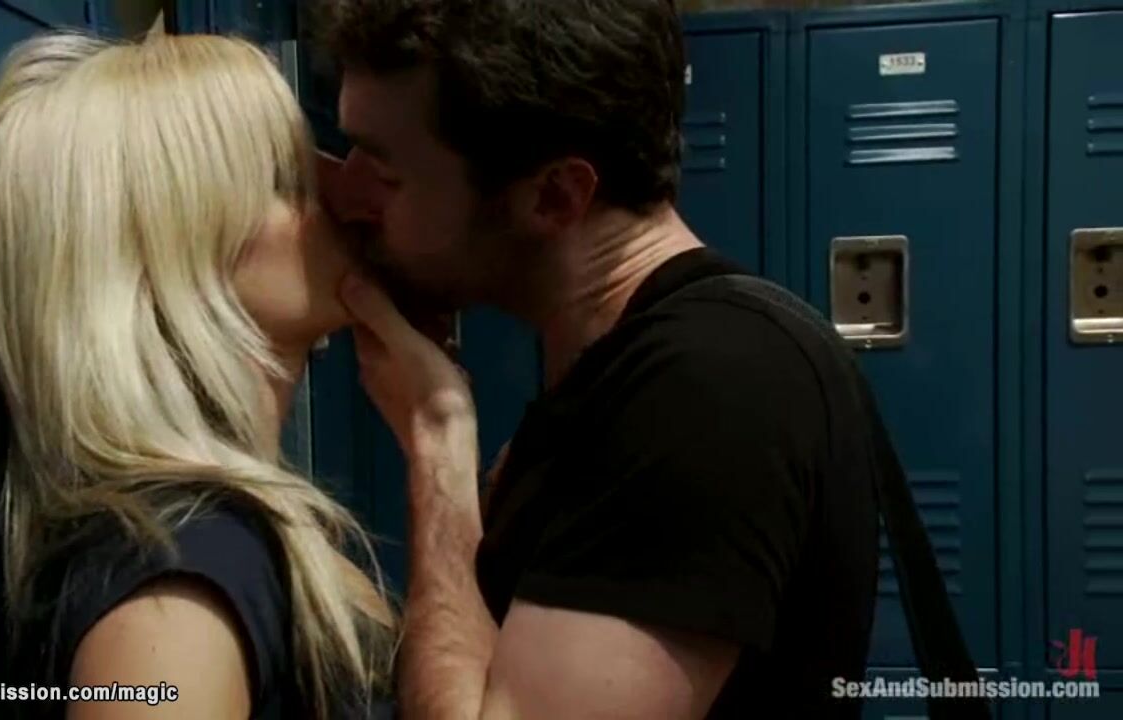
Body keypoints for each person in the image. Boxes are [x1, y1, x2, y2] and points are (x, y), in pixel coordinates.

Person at [314, 0, 882, 717]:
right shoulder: (623, 368)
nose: (346, 195)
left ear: (555, 196)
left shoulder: (706, 388)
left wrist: (437, 440)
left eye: (385, 172)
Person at [0, 30, 396, 719]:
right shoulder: (171, 604)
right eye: (285, 178)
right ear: (181, 247)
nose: (340, 185)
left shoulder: (232, 541)